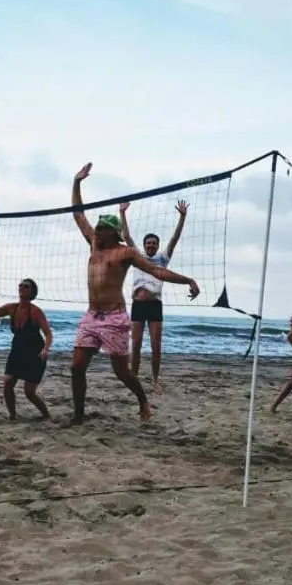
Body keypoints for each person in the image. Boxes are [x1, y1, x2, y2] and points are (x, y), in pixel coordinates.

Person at [69, 162, 200, 423]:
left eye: (101, 228)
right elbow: (78, 214)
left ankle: (143, 401)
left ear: (112, 232)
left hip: (115, 317)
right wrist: (77, 182)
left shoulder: (125, 252)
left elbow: (158, 272)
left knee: (123, 373)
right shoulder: (94, 245)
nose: (95, 231)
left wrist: (188, 280)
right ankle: (79, 416)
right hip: (92, 316)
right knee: (76, 367)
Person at [118, 197, 188, 394]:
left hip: (155, 304)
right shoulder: (137, 256)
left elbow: (174, 239)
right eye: (148, 243)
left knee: (156, 344)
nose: (150, 246)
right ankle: (134, 378)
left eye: (153, 243)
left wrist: (182, 217)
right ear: (144, 245)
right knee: (137, 344)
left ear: (157, 246)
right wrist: (122, 213)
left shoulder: (162, 259)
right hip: (138, 305)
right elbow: (127, 236)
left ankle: (156, 379)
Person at [0, 278, 53, 421]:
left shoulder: (36, 312)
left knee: (29, 392)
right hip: (17, 351)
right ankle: (12, 416)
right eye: (20, 285)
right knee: (7, 382)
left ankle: (46, 415)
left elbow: (48, 334)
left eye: (26, 286)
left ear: (32, 292)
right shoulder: (12, 308)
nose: (22, 288)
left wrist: (46, 349)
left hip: (35, 353)